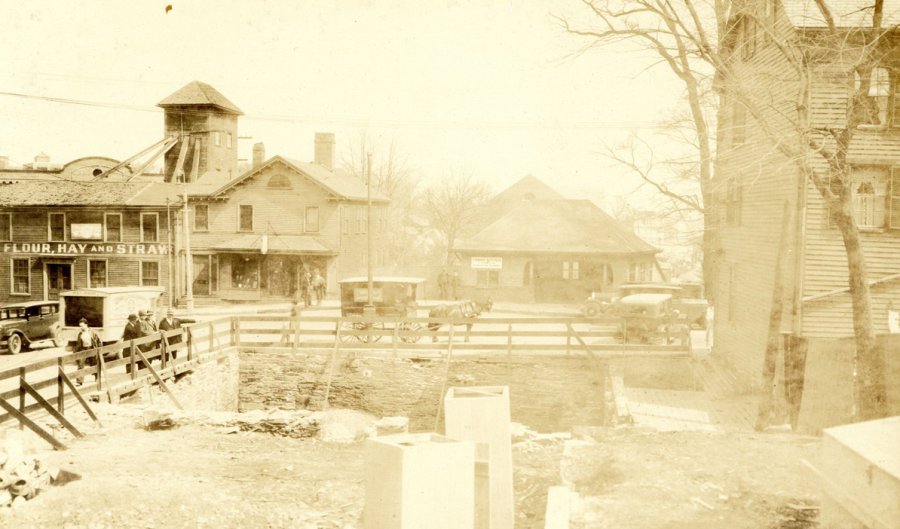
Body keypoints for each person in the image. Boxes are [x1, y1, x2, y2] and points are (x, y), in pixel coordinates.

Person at [73, 318, 101, 386]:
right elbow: (78, 343)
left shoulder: (92, 332)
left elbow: (98, 341)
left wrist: (98, 349)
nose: (81, 327)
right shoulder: (80, 334)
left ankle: (97, 378)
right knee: (80, 364)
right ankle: (79, 381)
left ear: (86, 325)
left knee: (94, 364)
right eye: (80, 326)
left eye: (82, 326)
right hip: (83, 349)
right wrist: (75, 352)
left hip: (91, 348)